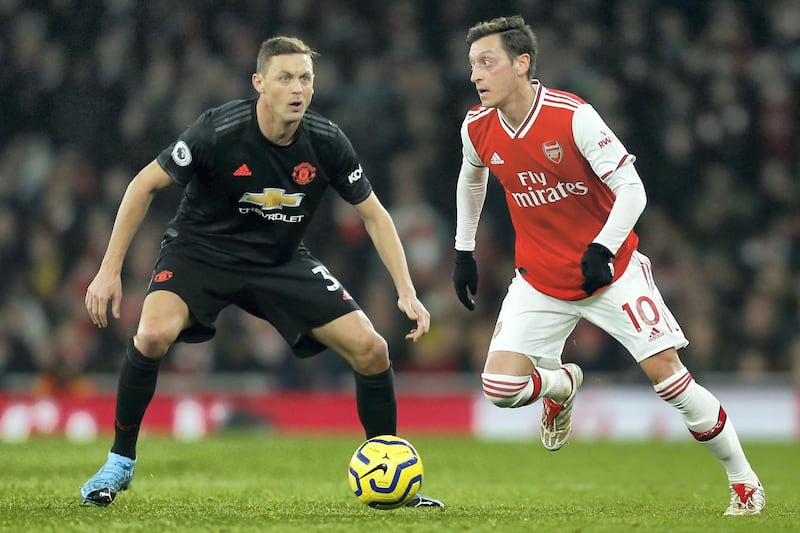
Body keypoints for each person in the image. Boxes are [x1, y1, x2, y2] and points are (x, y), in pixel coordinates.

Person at [81, 36, 443, 509]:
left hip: (279, 259)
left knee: (372, 350)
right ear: (260, 83)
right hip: (200, 253)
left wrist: (406, 291)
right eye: (285, 78)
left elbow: (374, 214)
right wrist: (109, 271)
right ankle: (118, 463)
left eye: (306, 78)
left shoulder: (328, 141)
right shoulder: (218, 129)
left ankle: (389, 471)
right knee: (150, 336)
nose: (298, 88)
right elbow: (143, 184)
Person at [451, 16, 764, 516]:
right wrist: (464, 250)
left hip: (608, 273)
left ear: (521, 63)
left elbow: (632, 189)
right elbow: (472, 180)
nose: (476, 75)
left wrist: (602, 247)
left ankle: (744, 480)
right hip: (539, 280)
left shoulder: (573, 117)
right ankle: (562, 385)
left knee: (671, 383)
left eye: (486, 62)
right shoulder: (477, 126)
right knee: (501, 389)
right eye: (472, 65)